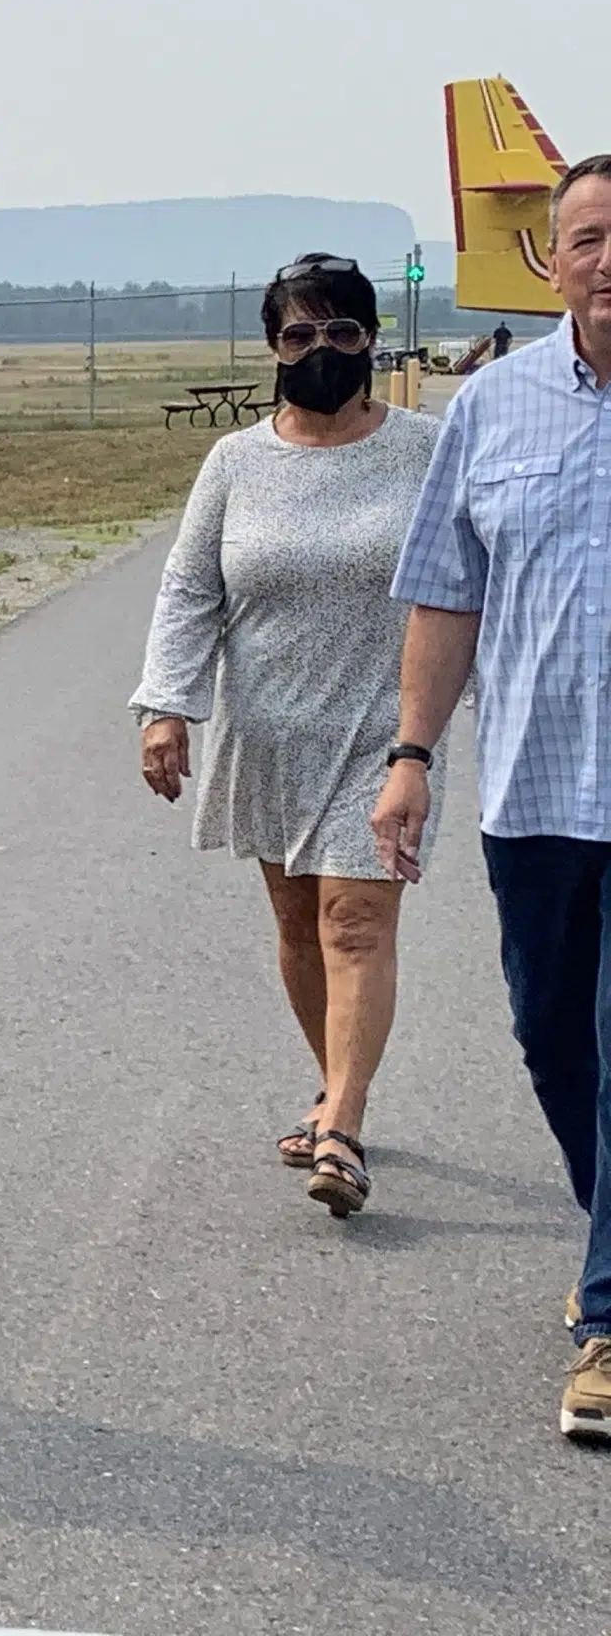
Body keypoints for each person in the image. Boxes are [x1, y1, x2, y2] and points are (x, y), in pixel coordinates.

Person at [375, 152, 611, 1442]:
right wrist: (411, 757)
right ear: (553, 261)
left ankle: (609, 1322)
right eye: (586, 239)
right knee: (552, 1038)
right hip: (534, 792)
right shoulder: (493, 406)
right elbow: (445, 593)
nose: (606, 260)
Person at [133, 252, 443, 1219]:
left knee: (355, 920)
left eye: (343, 332)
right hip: (269, 728)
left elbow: (469, 583)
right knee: (300, 923)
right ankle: (335, 1085)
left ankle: (343, 1124)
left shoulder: (427, 451)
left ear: (372, 342)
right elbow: (191, 590)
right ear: (272, 347)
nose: (322, 351)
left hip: (384, 732)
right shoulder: (235, 462)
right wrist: (165, 705)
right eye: (300, 334)